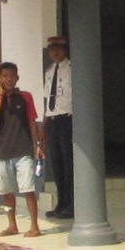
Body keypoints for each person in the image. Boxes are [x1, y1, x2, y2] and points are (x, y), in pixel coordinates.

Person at [0, 61, 42, 236]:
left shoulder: (25, 97)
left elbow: (32, 121)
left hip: (23, 149)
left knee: (28, 189)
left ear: (17, 78)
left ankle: (34, 226)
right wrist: (2, 97)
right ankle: (12, 225)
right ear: (0, 79)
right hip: (4, 151)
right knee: (6, 191)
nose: (9, 80)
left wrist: (38, 144)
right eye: (5, 76)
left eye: (12, 76)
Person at [42, 35, 74, 222]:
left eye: (59, 48)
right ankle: (61, 202)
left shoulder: (71, 69)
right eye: (52, 49)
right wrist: (44, 125)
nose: (55, 52)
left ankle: (71, 204)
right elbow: (48, 101)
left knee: (68, 163)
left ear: (65, 50)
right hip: (53, 120)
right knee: (57, 163)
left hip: (67, 119)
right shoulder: (49, 71)